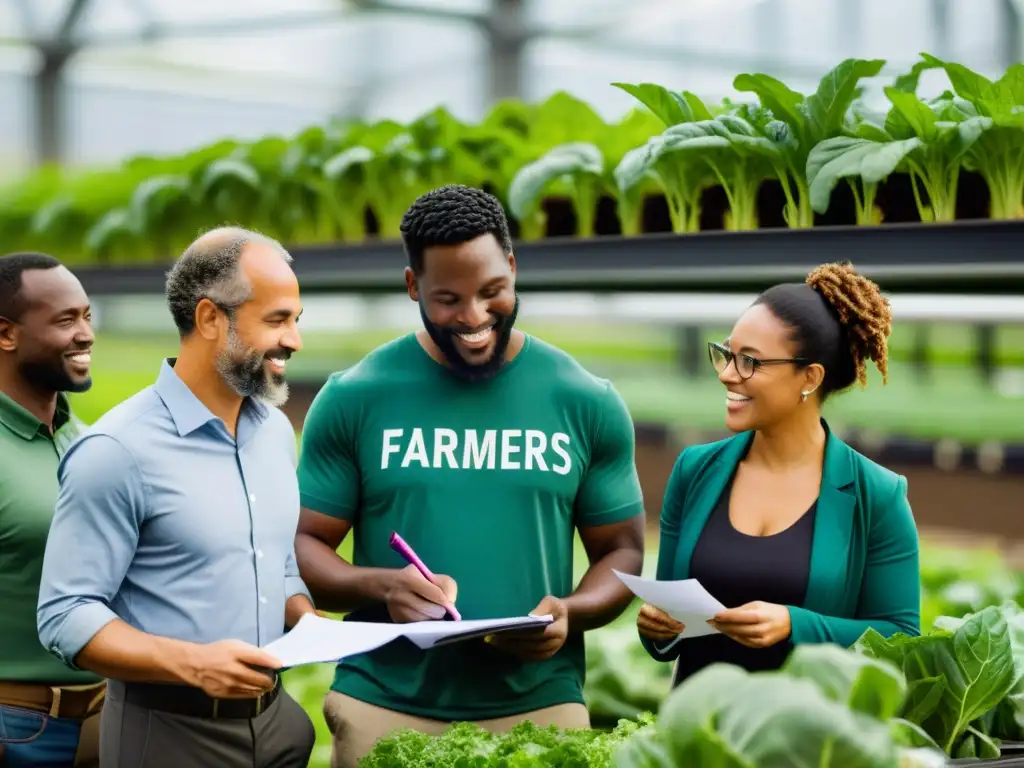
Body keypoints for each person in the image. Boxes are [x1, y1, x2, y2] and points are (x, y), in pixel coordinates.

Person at [294, 184, 647, 768]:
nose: (476, 317)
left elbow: (623, 551)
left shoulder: (585, 400)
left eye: (492, 292)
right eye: (448, 299)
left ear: (512, 267)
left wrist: (570, 611)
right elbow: (306, 545)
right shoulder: (354, 397)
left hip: (541, 706)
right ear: (413, 288)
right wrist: (383, 587)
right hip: (384, 703)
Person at [36, 227, 317, 768]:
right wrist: (193, 664)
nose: (294, 341)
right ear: (211, 318)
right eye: (277, 320)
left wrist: (305, 617)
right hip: (168, 734)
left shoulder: (275, 433)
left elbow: (275, 563)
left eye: (296, 320)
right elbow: (65, 614)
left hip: (278, 726)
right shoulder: (116, 451)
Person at [637, 261, 921, 688]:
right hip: (696, 736)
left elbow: (902, 640)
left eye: (750, 361)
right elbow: (670, 626)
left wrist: (795, 626)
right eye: (727, 354)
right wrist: (656, 629)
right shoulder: (694, 471)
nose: (728, 374)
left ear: (809, 377)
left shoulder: (876, 495)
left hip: (810, 742)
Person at [0, 252, 105, 768]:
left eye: (87, 316)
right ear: (5, 334)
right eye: (65, 320)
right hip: (15, 728)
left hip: (106, 722)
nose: (85, 334)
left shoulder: (87, 440)